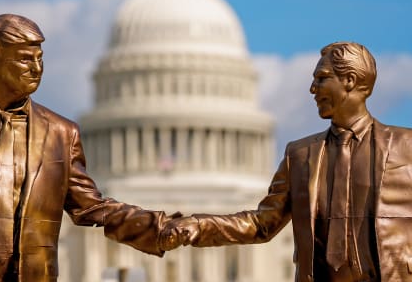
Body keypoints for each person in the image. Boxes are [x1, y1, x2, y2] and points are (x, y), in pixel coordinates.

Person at [0, 14, 171, 282]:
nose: (37, 69)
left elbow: (93, 209)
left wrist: (178, 228)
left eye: (40, 58)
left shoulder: (61, 134)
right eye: (25, 59)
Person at [161, 42, 412, 281]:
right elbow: (261, 224)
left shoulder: (406, 147)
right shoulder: (300, 155)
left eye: (322, 78)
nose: (313, 89)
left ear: (350, 81)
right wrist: (198, 225)